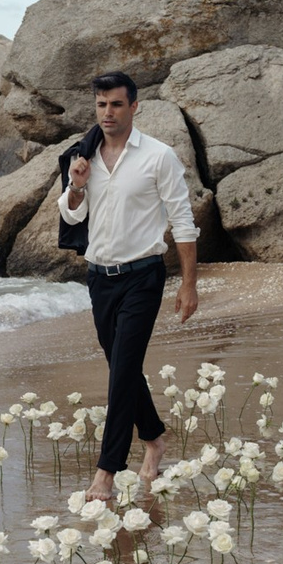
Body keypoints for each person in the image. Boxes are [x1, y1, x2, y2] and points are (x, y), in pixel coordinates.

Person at [54, 69, 199, 503]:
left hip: (143, 277)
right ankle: (154, 438)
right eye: (101, 104)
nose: (108, 112)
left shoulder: (159, 156)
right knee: (123, 367)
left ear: (134, 107)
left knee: (121, 373)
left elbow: (183, 221)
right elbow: (72, 214)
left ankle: (107, 471)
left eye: (116, 104)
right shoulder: (83, 156)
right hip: (99, 278)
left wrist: (189, 285)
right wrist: (76, 187)